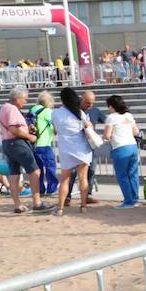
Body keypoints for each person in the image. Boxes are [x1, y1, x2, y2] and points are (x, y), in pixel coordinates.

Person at [0, 87, 52, 214]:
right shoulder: (11, 109)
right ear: (17, 98)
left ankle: (17, 204)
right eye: (24, 99)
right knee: (35, 171)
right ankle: (37, 202)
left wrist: (27, 129)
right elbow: (13, 129)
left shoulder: (2, 108)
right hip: (17, 143)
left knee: (14, 174)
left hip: (7, 143)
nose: (25, 102)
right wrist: (29, 136)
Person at [52, 86, 96, 216]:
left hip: (66, 147)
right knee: (83, 178)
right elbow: (89, 126)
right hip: (81, 147)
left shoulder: (55, 113)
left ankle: (60, 208)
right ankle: (83, 206)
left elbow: (55, 130)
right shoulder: (79, 113)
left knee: (65, 179)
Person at [103, 94, 142, 209]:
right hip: (132, 146)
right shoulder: (129, 115)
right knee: (133, 174)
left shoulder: (111, 117)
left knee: (122, 176)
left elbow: (107, 135)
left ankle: (128, 201)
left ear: (111, 106)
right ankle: (134, 199)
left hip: (120, 148)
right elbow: (136, 132)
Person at [30, 91, 58, 196]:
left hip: (34, 143)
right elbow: (55, 124)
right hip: (45, 143)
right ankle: (52, 189)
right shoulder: (47, 111)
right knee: (50, 167)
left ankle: (40, 189)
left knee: (38, 169)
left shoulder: (33, 109)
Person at [81, 90, 108, 200]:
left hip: (91, 145)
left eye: (92, 103)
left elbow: (107, 120)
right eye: (88, 103)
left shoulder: (95, 110)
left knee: (91, 170)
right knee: (74, 172)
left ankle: (89, 194)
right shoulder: (75, 111)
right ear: (82, 99)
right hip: (77, 144)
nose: (90, 105)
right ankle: (67, 196)